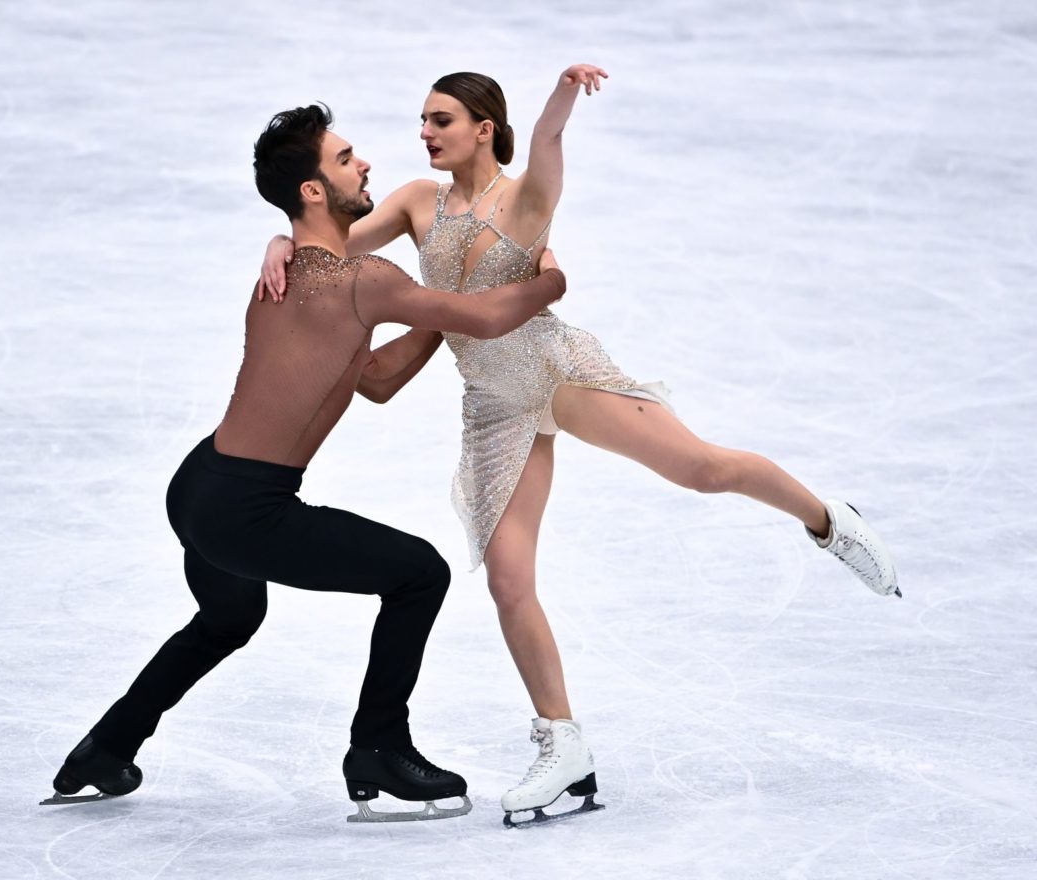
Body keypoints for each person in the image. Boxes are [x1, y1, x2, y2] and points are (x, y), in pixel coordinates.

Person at [257, 66, 900, 827]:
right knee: (508, 580)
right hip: (493, 406)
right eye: (422, 122)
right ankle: (564, 748)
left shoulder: (525, 196)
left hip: (556, 373)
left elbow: (554, 135)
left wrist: (563, 87)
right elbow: (325, 242)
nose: (424, 134)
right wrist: (277, 239)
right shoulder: (411, 203)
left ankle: (827, 519)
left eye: (440, 121)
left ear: (483, 127)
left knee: (701, 468)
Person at [43, 104, 568, 823]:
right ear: (314, 191)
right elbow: (484, 318)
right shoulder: (363, 279)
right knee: (420, 574)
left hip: (200, 488)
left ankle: (106, 747)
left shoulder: (286, 276)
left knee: (227, 619)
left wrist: (434, 311)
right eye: (347, 158)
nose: (366, 165)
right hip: (247, 508)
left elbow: (376, 379)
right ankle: (378, 747)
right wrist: (548, 281)